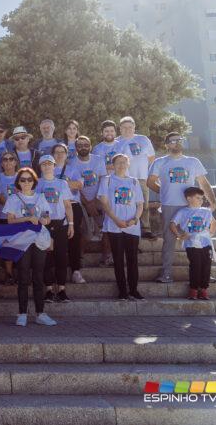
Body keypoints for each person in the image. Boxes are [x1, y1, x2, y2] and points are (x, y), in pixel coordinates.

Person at [148, 132, 216, 283]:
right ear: (166, 144)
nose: (177, 143)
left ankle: (205, 274)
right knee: (169, 240)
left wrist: (213, 200)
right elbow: (150, 182)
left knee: (199, 238)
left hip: (191, 206)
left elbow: (203, 182)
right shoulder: (160, 162)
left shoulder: (193, 161)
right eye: (173, 141)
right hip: (169, 205)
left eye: (179, 140)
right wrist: (164, 191)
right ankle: (166, 273)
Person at [4, 167, 57, 327]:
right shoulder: (13, 198)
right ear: (18, 182)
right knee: (23, 276)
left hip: (39, 240)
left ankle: (40, 313)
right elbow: (10, 220)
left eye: (29, 179)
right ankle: (22, 313)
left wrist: (43, 220)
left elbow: (47, 217)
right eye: (23, 180)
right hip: (22, 240)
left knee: (39, 277)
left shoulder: (41, 197)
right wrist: (27, 218)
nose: (26, 182)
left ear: (34, 181)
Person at [97, 153, 145, 301]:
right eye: (118, 162)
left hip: (132, 227)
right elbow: (104, 203)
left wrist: (135, 219)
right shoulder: (107, 180)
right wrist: (116, 220)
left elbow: (140, 205)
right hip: (114, 226)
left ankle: (134, 290)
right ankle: (122, 291)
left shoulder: (134, 182)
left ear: (128, 164)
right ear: (113, 164)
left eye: (124, 162)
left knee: (132, 260)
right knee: (118, 260)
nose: (121, 165)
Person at [36, 155, 74, 303]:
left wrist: (71, 224)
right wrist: (45, 219)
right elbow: (38, 205)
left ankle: (62, 290)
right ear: (40, 167)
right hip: (45, 225)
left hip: (61, 224)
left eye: (49, 164)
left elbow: (67, 205)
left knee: (61, 257)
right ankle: (49, 290)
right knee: (47, 258)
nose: (47, 167)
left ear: (54, 166)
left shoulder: (62, 183)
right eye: (44, 164)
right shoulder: (38, 183)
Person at [170, 187, 216, 300]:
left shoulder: (206, 211)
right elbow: (172, 224)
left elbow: (214, 223)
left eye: (202, 198)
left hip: (205, 243)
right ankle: (193, 289)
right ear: (189, 198)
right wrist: (179, 235)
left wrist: (210, 234)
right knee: (196, 265)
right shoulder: (183, 212)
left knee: (206, 265)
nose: (201, 200)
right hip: (191, 243)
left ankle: (204, 289)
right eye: (198, 198)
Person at [72, 136, 108, 270]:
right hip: (81, 201)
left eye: (86, 145)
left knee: (106, 228)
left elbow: (103, 181)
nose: (83, 147)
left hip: (98, 199)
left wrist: (95, 201)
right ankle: (80, 257)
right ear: (76, 148)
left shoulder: (98, 160)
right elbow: (74, 187)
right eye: (80, 145)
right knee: (83, 231)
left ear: (90, 146)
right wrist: (87, 203)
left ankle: (106, 257)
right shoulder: (72, 163)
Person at [116, 116, 156, 239]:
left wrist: (143, 170)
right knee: (126, 204)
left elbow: (151, 158)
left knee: (144, 204)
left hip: (141, 178)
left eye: (130, 127)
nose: (127, 130)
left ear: (134, 128)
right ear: (120, 129)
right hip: (123, 179)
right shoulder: (116, 142)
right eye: (124, 127)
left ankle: (145, 228)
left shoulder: (143, 139)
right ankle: (127, 228)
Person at [51, 144, 85, 285]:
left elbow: (79, 185)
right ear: (52, 154)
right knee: (54, 241)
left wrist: (56, 183)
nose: (59, 155)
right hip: (54, 209)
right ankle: (55, 272)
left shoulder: (73, 169)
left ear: (66, 155)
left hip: (73, 206)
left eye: (62, 152)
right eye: (56, 152)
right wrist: (67, 183)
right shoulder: (46, 169)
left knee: (74, 238)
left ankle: (75, 271)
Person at [0, 150, 19, 284]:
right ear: (2, 163)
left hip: (20, 218)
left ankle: (19, 273)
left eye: (11, 159)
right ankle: (8, 274)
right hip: (3, 217)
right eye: (5, 159)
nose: (8, 161)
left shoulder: (21, 176)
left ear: (15, 162)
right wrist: (12, 207)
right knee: (7, 246)